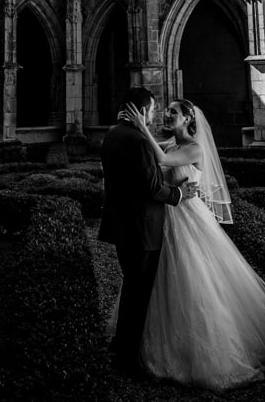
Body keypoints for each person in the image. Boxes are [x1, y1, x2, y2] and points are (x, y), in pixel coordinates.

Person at [119, 97, 265, 391]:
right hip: (166, 217)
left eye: (175, 111)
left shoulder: (194, 148)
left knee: (194, 279)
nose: (168, 114)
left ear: (188, 119)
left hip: (187, 219)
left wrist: (140, 127)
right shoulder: (170, 144)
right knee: (160, 280)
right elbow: (156, 163)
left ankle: (203, 354)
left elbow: (161, 161)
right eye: (167, 110)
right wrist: (136, 131)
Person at [98, 87, 199, 377]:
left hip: (123, 226)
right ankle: (128, 356)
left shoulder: (113, 134)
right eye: (155, 110)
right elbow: (152, 187)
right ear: (141, 111)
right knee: (138, 294)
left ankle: (124, 345)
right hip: (142, 228)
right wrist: (179, 194)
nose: (159, 115)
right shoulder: (139, 140)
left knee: (133, 288)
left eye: (171, 112)